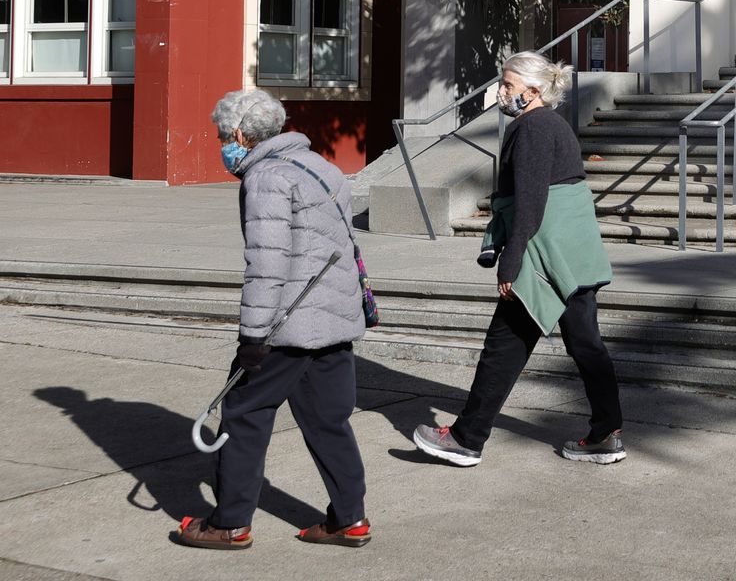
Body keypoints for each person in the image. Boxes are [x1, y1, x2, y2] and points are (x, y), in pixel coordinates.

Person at [172, 89, 371, 551]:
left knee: (243, 416)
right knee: (329, 421)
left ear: (241, 134)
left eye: (223, 136)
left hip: (287, 325)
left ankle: (229, 523)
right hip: (334, 318)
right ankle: (349, 518)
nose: (223, 144)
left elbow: (266, 263)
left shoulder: (265, 177)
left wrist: (253, 337)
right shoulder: (321, 166)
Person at [413, 51, 625, 466]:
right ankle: (606, 433)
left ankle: (466, 438)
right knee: (585, 345)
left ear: (533, 91)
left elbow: (530, 203)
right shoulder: (552, 125)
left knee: (503, 346)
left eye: (508, 85)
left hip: (543, 258)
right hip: (573, 256)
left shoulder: (532, 128)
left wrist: (511, 263)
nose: (501, 92)